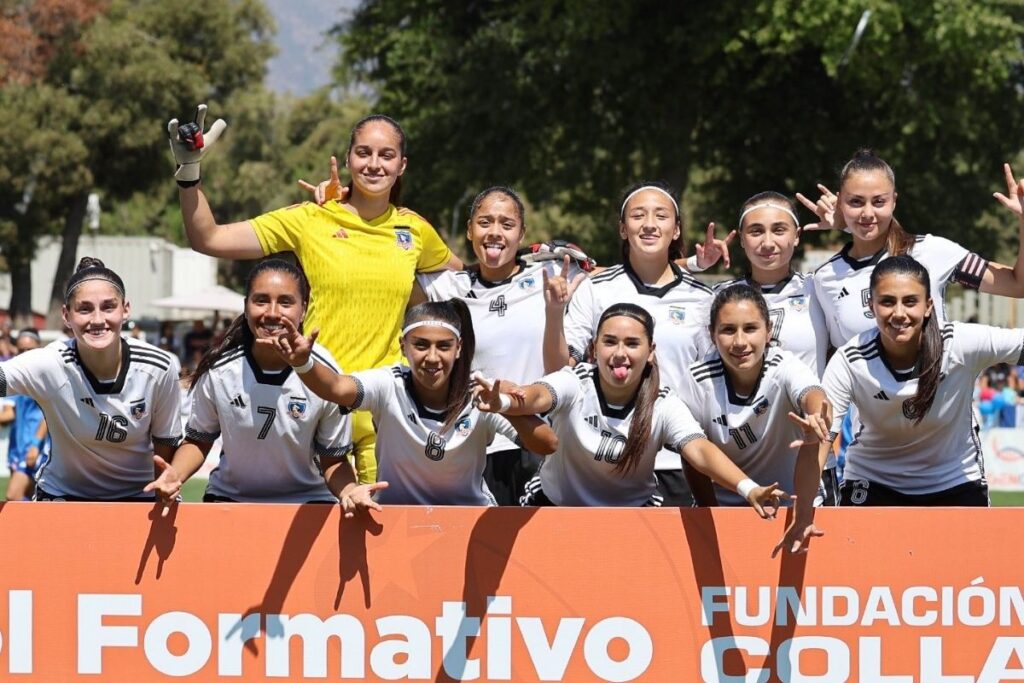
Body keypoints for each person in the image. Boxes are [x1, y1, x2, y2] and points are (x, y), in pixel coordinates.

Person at [169, 105, 462, 487]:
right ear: (348, 158)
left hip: (384, 412)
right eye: (364, 153)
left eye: (386, 155)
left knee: (381, 536)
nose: (374, 164)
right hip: (313, 405)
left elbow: (461, 286)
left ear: (402, 166)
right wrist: (189, 175)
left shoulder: (414, 230)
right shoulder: (311, 219)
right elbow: (207, 238)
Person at [478, 302, 786, 513]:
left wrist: (748, 489)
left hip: (633, 517)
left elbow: (700, 450)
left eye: (632, 344)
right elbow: (537, 396)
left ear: (651, 351)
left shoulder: (662, 403)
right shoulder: (575, 381)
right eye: (610, 342)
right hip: (555, 508)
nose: (620, 353)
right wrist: (503, 402)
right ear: (594, 347)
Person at [262, 299, 557, 505]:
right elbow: (337, 388)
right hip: (396, 518)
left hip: (467, 519)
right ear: (403, 347)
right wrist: (303, 364)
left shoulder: (479, 393)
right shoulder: (390, 384)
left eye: (443, 346)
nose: (431, 358)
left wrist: (504, 407)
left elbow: (547, 444)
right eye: (420, 345)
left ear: (458, 349)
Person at [543, 182, 730, 506]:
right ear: (622, 228)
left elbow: (715, 387)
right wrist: (555, 314)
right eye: (638, 215)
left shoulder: (703, 298)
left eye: (661, 215)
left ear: (676, 230)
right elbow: (560, 369)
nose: (649, 224)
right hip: (608, 460)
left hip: (680, 461)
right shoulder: (595, 289)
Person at [145, 259, 380, 511]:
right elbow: (199, 441)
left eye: (285, 302)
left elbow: (333, 459)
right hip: (230, 497)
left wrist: (350, 491)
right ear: (246, 306)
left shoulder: (326, 374)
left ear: (304, 308)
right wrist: (175, 475)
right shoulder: (220, 370)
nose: (272, 312)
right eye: (261, 300)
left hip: (307, 502)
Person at [406, 186, 587, 505]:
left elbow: (627, 274)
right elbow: (386, 263)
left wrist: (696, 263)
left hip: (540, 443)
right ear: (469, 230)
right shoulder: (446, 285)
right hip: (473, 448)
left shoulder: (553, 276)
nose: (494, 232)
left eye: (506, 224)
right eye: (485, 222)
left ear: (522, 234)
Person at [822, 255, 1023, 506]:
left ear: (928, 305)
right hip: (874, 480)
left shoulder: (960, 343)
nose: (899, 313)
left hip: (955, 480)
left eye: (910, 302)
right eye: (887, 302)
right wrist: (806, 509)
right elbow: (820, 439)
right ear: (871, 306)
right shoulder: (850, 360)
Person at [0, 258, 182, 501]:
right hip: (64, 495)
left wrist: (162, 488)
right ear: (66, 315)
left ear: (125, 309)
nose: (97, 320)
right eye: (84, 309)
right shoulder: (51, 363)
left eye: (108, 307)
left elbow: (166, 443)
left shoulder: (159, 366)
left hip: (140, 496)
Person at [800, 149, 1024, 347]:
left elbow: (1017, 285)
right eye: (855, 202)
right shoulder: (825, 277)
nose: (867, 213)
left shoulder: (932, 251)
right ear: (840, 203)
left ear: (894, 201)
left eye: (879, 202)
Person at [712, 192, 839, 503]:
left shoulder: (819, 290)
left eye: (779, 230)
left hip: (809, 455)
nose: (767, 242)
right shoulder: (717, 297)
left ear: (796, 236)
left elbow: (887, 263)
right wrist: (690, 262)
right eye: (756, 231)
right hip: (737, 463)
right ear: (741, 239)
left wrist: (848, 225)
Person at [679, 285, 831, 514]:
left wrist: (818, 416)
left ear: (769, 330)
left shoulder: (782, 366)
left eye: (750, 328)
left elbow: (812, 393)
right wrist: (710, 511)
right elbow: (693, 454)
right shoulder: (698, 379)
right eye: (728, 330)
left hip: (792, 504)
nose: (740, 341)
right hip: (727, 507)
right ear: (712, 334)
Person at [0, 329, 51, 501]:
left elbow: (49, 414)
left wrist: (36, 444)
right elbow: (9, 413)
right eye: (21, 350)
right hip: (18, 448)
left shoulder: (46, 378)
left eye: (30, 350)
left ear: (40, 348)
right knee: (29, 500)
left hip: (36, 447)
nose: (25, 354)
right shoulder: (16, 379)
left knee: (13, 496)